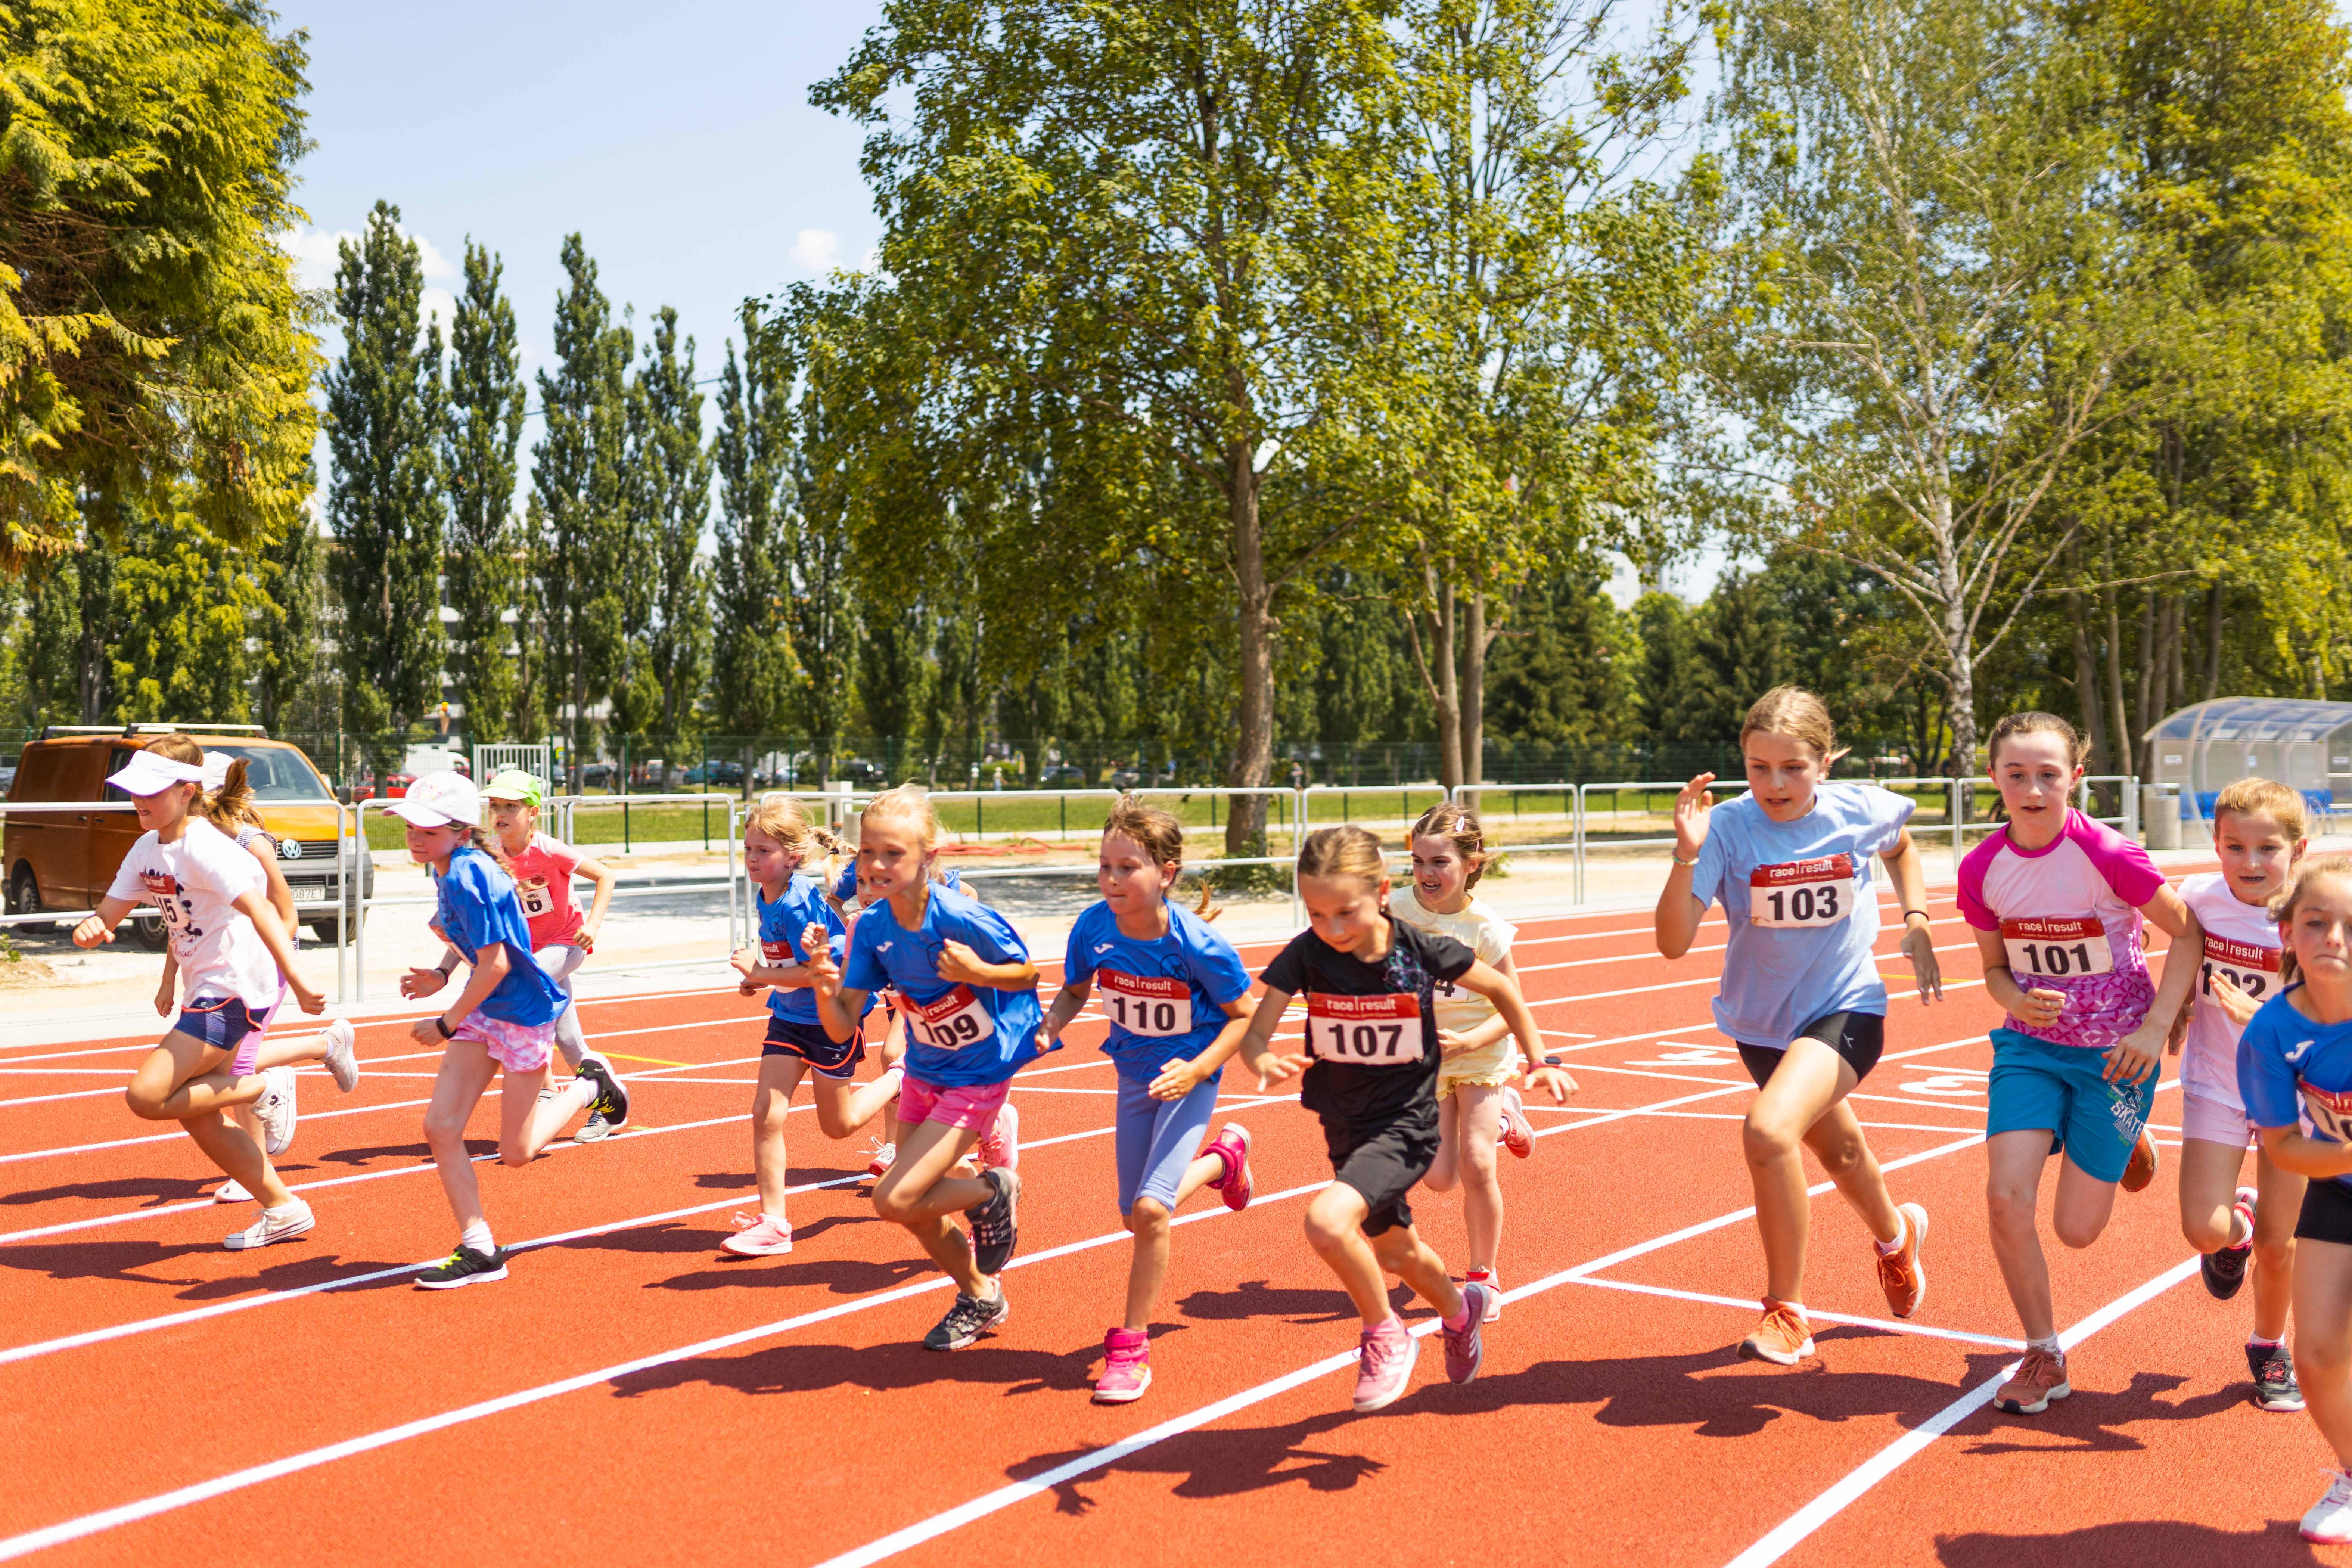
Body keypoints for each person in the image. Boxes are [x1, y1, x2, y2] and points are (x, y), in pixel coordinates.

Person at [1235, 825, 1574, 1413]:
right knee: (1396, 1253)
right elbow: (1256, 1028)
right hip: (1345, 1121)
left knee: (1325, 1222)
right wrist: (1261, 1057)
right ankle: (1459, 1311)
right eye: (1316, 914)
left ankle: (1384, 1331)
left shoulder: (1415, 947)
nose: (1333, 928)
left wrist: (1538, 1060)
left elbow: (1503, 989)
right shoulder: (1307, 952)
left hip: (1406, 1120)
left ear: (1381, 893)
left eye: (1346, 912)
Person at [1654, 687, 1941, 1365]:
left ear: (1825, 761)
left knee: (1766, 1129)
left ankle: (1785, 1311)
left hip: (1845, 1005)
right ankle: (1896, 1236)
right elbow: (1671, 943)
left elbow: (1901, 847)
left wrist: (1916, 919)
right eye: (1758, 767)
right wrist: (1685, 853)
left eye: (1792, 767)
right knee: (1840, 1155)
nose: (1775, 784)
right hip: (1760, 1023)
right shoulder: (1726, 827)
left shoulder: (1858, 808)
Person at [1960, 711, 2200, 1415]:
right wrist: (2015, 998)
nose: (2032, 789)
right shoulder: (1981, 868)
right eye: (2016, 774)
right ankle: (2042, 1351)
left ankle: (2123, 1136)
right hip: (2029, 1050)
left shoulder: (2107, 853)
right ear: (1993, 778)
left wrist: (2155, 1025)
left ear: (2075, 778)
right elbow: (1993, 970)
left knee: (2076, 1230)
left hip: (2115, 1055)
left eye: (2047, 774)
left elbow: (2186, 932)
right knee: (2004, 1197)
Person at [804, 785, 1047, 1350]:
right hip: (923, 1071)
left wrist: (977, 971)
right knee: (913, 1207)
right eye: (868, 851)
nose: (876, 864)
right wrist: (821, 983)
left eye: (893, 853)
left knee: (891, 1198)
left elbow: (1027, 974)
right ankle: (981, 1295)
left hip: (978, 1072)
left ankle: (989, 1191)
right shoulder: (869, 927)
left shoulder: (961, 916)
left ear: (927, 857)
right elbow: (840, 1026)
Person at [72, 736, 332, 1251]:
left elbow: (262, 910)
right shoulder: (146, 848)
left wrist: (299, 979)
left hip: (234, 989)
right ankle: (283, 1208)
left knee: (146, 1095)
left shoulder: (207, 846)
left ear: (187, 791)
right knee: (195, 1112)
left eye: (152, 791)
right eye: (134, 790)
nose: (139, 800)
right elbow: (109, 914)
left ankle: (262, 1086)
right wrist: (92, 927)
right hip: (205, 989)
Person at [1044, 800, 1257, 1402]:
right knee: (1131, 1215)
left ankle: (1130, 1347)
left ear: (1165, 873)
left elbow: (1244, 1016)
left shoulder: (1197, 943)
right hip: (1133, 1075)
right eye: (1104, 866)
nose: (1111, 879)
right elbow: (1074, 989)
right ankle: (1222, 1162)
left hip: (1189, 1076)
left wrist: (1197, 1068)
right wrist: (1048, 1025)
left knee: (1150, 1209)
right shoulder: (1093, 927)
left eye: (1126, 867)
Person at [395, 772, 629, 1289]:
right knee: (440, 1127)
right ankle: (479, 1246)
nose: (415, 837)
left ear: (460, 831)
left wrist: (446, 1021)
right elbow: (478, 944)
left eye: (428, 830)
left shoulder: (467, 875)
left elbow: (497, 962)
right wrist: (441, 975)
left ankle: (589, 1085)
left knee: (517, 1153)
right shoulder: (452, 867)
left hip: (522, 1011)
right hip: (486, 1004)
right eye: (411, 827)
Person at [158, 752, 361, 1202]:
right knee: (228, 1066)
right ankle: (323, 1046)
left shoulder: (251, 843)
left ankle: (254, 1169)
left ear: (200, 797)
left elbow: (286, 916)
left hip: (261, 966)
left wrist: (270, 963)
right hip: (216, 969)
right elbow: (184, 921)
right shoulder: (186, 847)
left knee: (237, 1067)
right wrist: (169, 977)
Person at [2164, 777, 2306, 1412]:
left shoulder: (2320, 914)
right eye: (2234, 846)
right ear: (2215, 845)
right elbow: (2176, 947)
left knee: (2282, 1245)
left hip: (2295, 1096)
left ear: (2297, 850)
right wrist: (2173, 1006)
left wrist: (2267, 1021)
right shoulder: (2197, 896)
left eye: (2266, 848)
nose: (2250, 862)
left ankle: (2267, 1343)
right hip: (2217, 1082)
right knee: (2203, 1228)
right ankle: (2235, 1227)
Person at [720, 797, 904, 1257]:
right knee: (765, 1113)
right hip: (788, 1018)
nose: (752, 858)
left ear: (793, 857)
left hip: (829, 1019)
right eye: (748, 849)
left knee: (838, 1126)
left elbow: (820, 970)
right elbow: (786, 961)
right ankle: (774, 1223)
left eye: (763, 850)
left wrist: (761, 972)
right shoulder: (768, 894)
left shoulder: (798, 900)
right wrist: (760, 979)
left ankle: (902, 1077)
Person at [2237, 857, 2352, 1543]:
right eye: (2316, 922)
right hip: (2336, 1187)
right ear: (2286, 933)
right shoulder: (2270, 1032)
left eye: (2351, 926)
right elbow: (2281, 1146)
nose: (2333, 937)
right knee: (2313, 1355)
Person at [1390, 802, 1534, 1323]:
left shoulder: (1486, 929)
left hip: (1479, 1051)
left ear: (1471, 863)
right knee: (1438, 1178)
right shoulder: (1395, 908)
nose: (1425, 873)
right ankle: (1506, 1118)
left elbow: (1512, 1008)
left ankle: (1482, 1275)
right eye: (1417, 861)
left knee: (1477, 1162)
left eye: (1439, 862)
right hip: (1424, 1056)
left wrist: (1468, 1039)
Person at [479, 769, 625, 1141]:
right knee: (570, 1041)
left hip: (567, 943)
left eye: (510, 806)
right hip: (530, 954)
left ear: (533, 813)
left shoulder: (549, 849)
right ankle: (609, 1101)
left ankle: (545, 1090)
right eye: (495, 805)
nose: (500, 813)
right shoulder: (491, 854)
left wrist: (593, 924)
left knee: (519, 991)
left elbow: (605, 875)